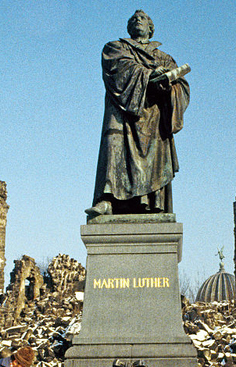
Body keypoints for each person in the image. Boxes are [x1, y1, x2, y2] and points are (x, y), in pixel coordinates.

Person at [86, 10, 190, 219]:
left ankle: (152, 204)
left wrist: (169, 86)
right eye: (133, 19)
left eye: (142, 18)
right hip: (122, 113)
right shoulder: (115, 47)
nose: (137, 20)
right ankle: (107, 200)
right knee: (113, 147)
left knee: (155, 158)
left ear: (151, 28)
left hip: (153, 117)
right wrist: (149, 74)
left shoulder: (165, 57)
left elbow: (182, 88)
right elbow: (118, 68)